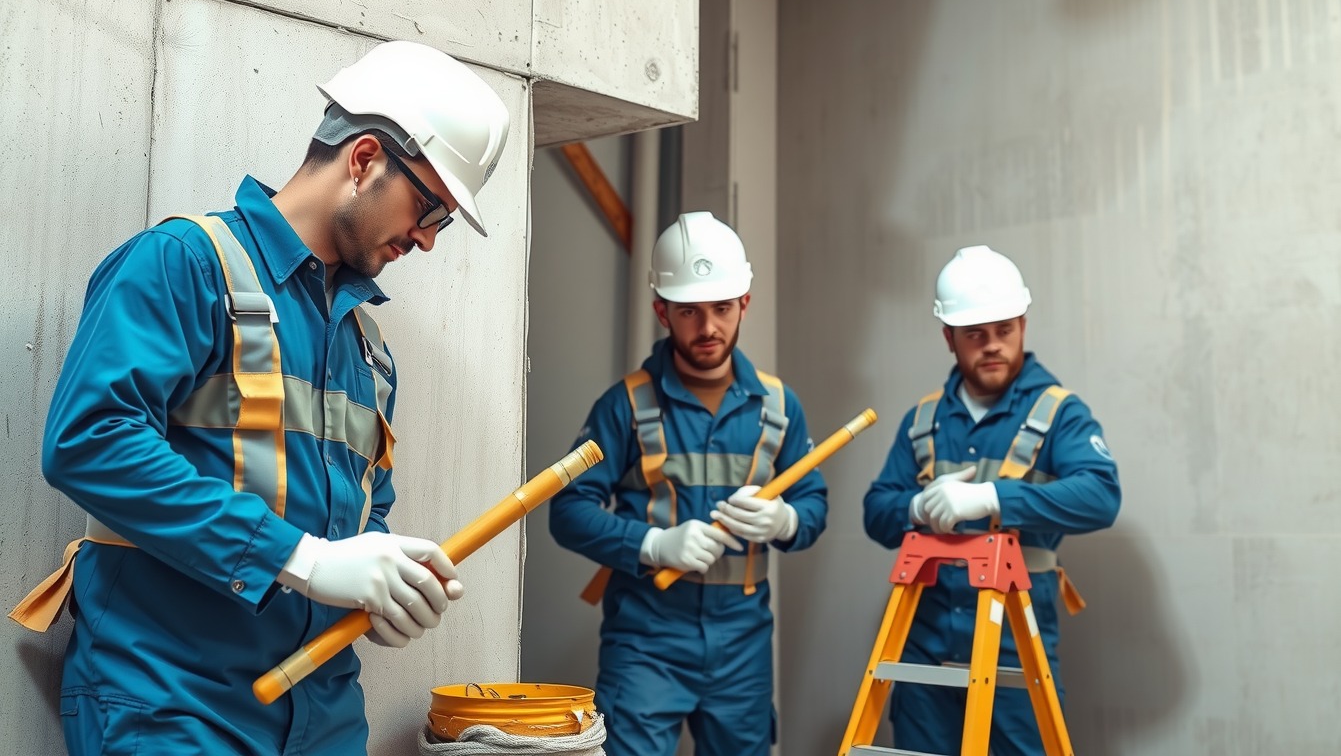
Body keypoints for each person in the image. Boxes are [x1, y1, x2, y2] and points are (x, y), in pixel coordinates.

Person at [9, 41, 510, 754]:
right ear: (364, 158)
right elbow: (90, 441)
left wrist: (382, 583)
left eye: (444, 223)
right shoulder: (186, 263)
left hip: (322, 715)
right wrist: (300, 558)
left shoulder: (368, 350)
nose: (428, 240)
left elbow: (367, 515)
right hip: (174, 705)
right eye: (429, 207)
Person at [548, 212, 828, 756]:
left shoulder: (778, 405)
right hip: (646, 640)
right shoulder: (625, 405)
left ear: (744, 302)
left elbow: (813, 503)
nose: (708, 328)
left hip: (743, 645)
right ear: (662, 311)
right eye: (689, 312)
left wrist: (787, 519)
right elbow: (567, 509)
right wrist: (651, 543)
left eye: (722, 309)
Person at [862, 245, 1120, 755]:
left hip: (1015, 654)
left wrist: (991, 497)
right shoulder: (923, 421)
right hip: (925, 653)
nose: (993, 346)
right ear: (948, 337)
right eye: (976, 335)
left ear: (1024, 323)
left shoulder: (1059, 413)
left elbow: (1101, 495)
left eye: (1005, 330)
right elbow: (876, 511)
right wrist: (915, 508)